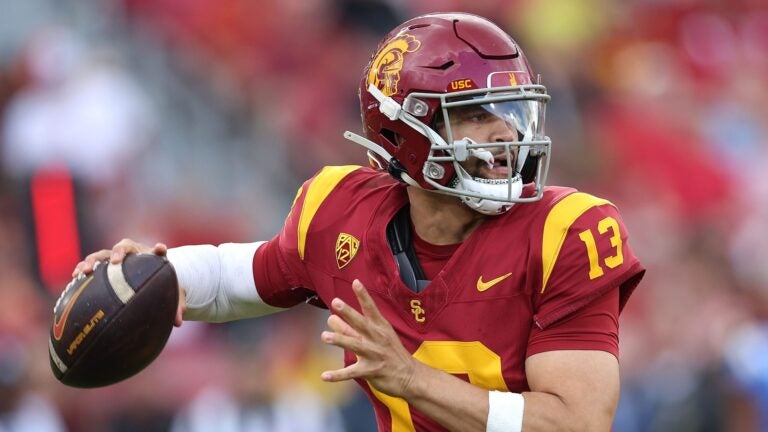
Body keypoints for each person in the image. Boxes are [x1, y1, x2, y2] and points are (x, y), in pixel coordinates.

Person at [73, 12, 645, 432]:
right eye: (475, 115)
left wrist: (412, 380)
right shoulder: (340, 213)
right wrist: (153, 273)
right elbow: (238, 277)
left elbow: (578, 423)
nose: (506, 135)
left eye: (513, 113)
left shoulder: (567, 230)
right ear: (403, 134)